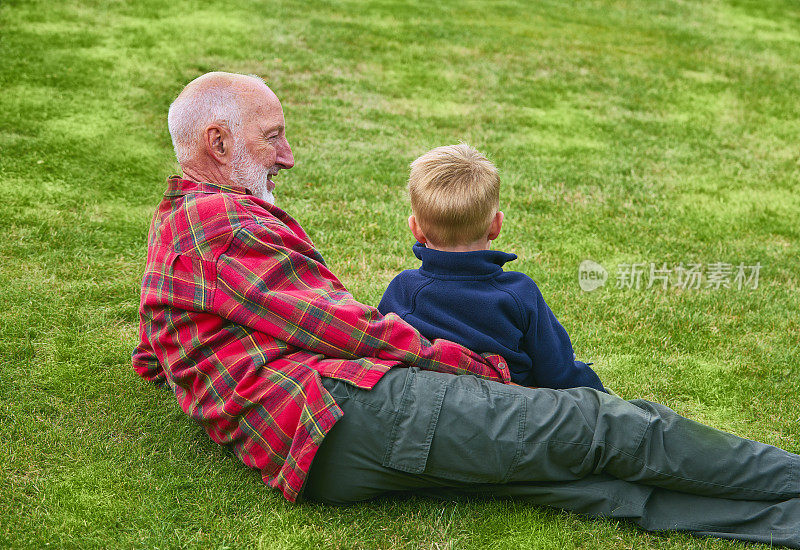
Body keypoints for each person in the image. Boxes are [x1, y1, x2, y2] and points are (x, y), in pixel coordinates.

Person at [134, 72, 800, 548]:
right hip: (349, 413)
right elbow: (341, 327)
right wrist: (476, 367)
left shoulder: (183, 216)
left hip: (326, 439)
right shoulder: (224, 224)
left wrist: (161, 355)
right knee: (610, 427)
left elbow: (161, 321)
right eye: (272, 137)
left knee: (578, 484)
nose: (287, 155)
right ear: (219, 142)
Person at [378, 143, 605, 391]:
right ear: (496, 225)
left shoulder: (403, 290)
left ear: (416, 229)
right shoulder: (519, 293)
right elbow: (560, 373)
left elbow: (383, 354)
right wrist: (600, 397)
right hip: (513, 414)